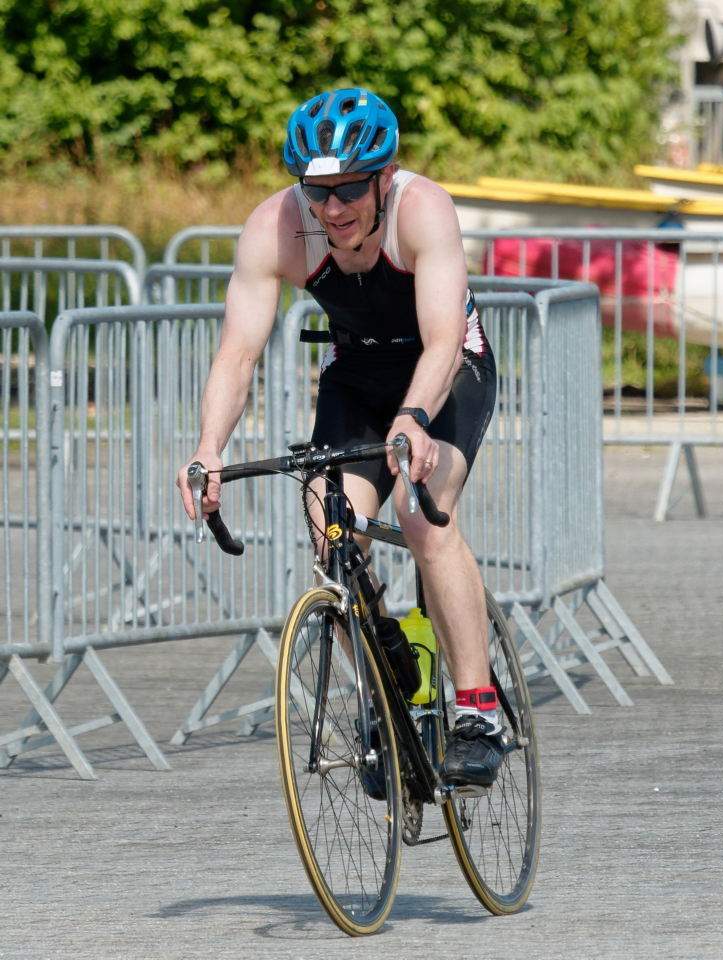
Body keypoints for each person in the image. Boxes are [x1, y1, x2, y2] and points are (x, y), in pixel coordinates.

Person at [175, 87, 504, 787]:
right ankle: (392, 693)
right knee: (332, 533)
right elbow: (238, 354)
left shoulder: (423, 209)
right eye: (317, 190)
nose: (333, 208)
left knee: (421, 513)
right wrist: (208, 448)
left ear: (386, 178)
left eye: (351, 188)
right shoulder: (273, 227)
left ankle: (479, 711)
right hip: (356, 375)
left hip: (446, 371)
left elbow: (443, 341)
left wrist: (414, 419)